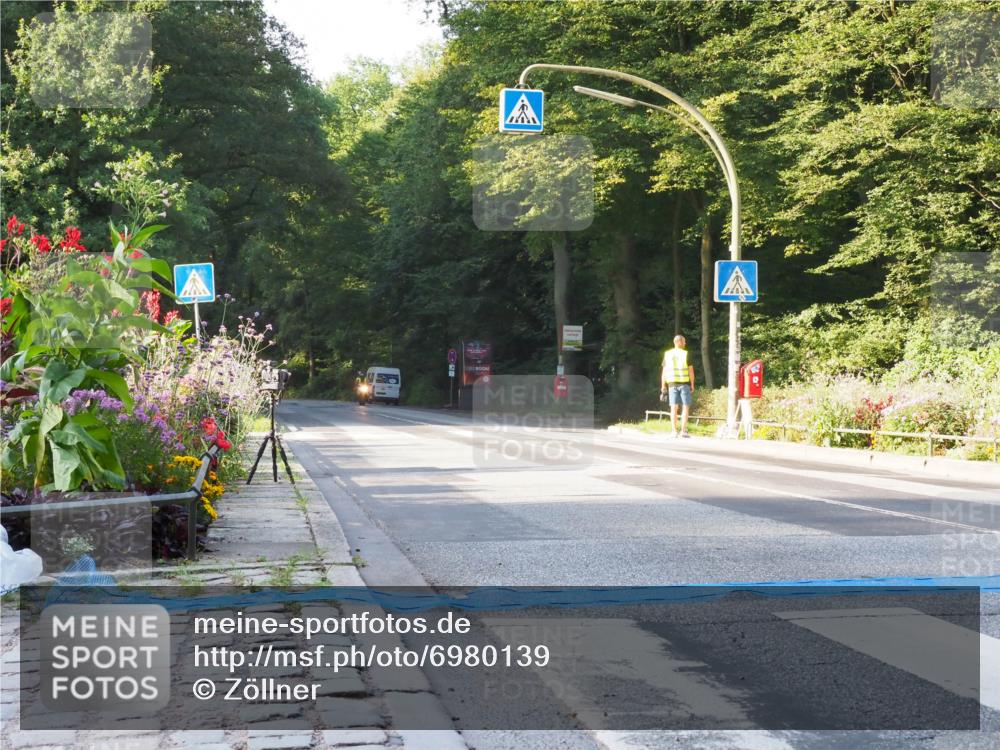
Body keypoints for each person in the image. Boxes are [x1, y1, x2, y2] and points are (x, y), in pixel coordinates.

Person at [660, 334, 695, 438]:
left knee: (673, 407)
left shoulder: (667, 354)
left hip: (671, 384)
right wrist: (692, 384)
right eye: (684, 341)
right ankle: (683, 431)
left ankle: (674, 431)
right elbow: (691, 371)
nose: (685, 343)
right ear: (679, 342)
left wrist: (663, 385)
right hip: (684, 384)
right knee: (685, 407)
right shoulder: (686, 354)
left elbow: (664, 372)